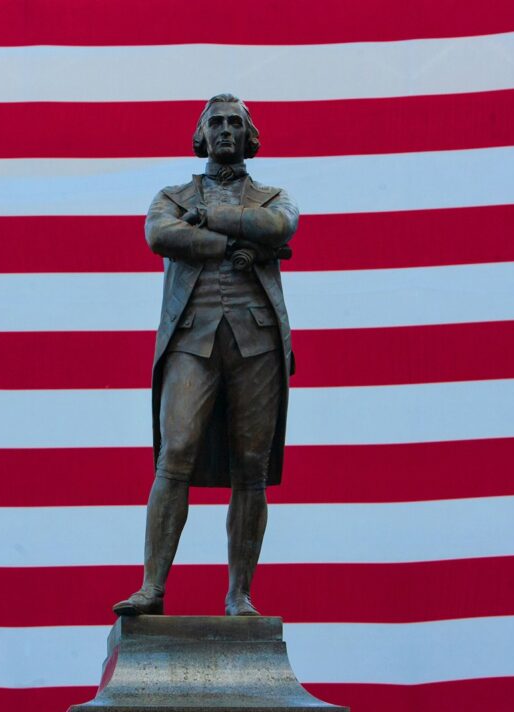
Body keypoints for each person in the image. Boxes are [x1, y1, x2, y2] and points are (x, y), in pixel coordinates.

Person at [113, 94, 298, 617]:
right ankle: (152, 588)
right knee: (175, 453)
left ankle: (239, 595)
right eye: (214, 122)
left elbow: (281, 229)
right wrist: (234, 240)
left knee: (251, 467)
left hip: (256, 342)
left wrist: (212, 218)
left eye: (233, 123)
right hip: (191, 341)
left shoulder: (273, 195)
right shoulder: (171, 197)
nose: (223, 130)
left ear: (248, 135)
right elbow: (159, 235)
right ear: (201, 135)